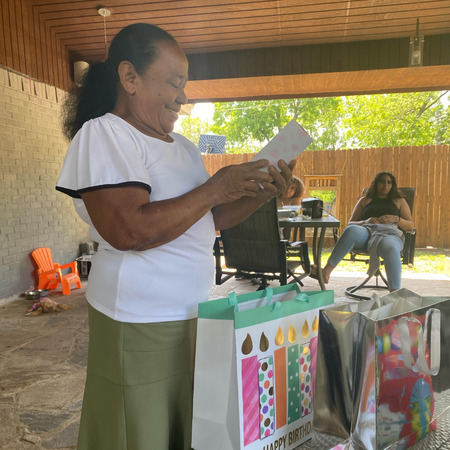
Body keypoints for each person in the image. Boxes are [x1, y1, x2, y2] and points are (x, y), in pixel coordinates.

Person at [56, 23, 295, 450]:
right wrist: (215, 187)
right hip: (138, 319)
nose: (182, 97)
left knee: (179, 426)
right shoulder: (106, 133)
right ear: (129, 77)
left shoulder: (182, 146)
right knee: (136, 431)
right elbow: (128, 229)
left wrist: (261, 193)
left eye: (184, 85)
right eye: (173, 82)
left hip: (192, 311)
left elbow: (211, 217)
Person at [315, 171, 414, 290]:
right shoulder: (365, 200)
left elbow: (410, 226)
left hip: (390, 234)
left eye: (389, 182)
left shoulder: (399, 201)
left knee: (390, 246)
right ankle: (326, 272)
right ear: (376, 183)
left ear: (392, 185)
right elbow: (351, 223)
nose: (385, 185)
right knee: (352, 230)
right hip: (367, 233)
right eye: (382, 182)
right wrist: (366, 221)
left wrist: (396, 219)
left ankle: (395, 292)